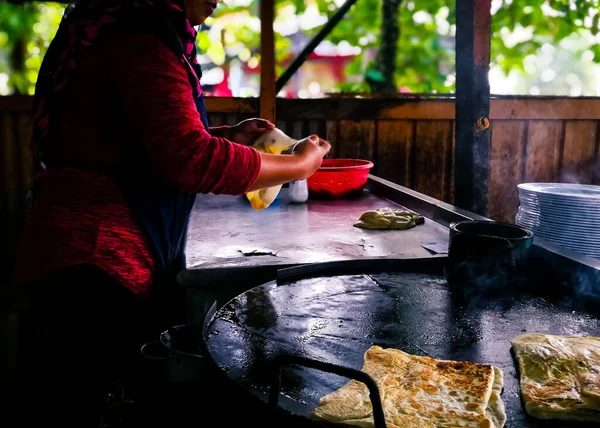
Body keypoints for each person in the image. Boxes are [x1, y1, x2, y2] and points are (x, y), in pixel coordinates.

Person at [11, 0, 331, 426]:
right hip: (94, 263)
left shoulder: (112, 22)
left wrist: (227, 136)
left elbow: (136, 140)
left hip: (72, 248)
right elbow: (189, 159)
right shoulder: (141, 38)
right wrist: (300, 166)